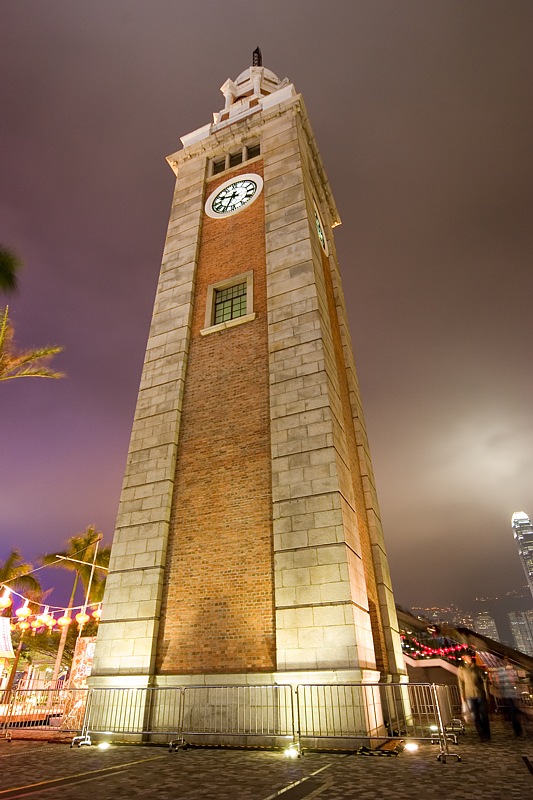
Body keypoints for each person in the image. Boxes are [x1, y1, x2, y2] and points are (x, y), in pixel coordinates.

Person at [457, 654, 491, 741]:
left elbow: (484, 679)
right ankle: (481, 735)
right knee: (475, 716)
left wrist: (486, 693)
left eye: (470, 657)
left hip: (479, 694)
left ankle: (487, 734)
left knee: (484, 715)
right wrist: (462, 695)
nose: (469, 658)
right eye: (467, 657)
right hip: (469, 695)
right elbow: (460, 682)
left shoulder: (477, 668)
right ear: (464, 658)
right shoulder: (462, 669)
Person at [494, 658, 523, 737]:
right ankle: (518, 729)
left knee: (514, 710)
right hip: (510, 693)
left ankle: (518, 729)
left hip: (511, 693)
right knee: (513, 710)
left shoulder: (506, 671)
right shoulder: (504, 671)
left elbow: (501, 682)